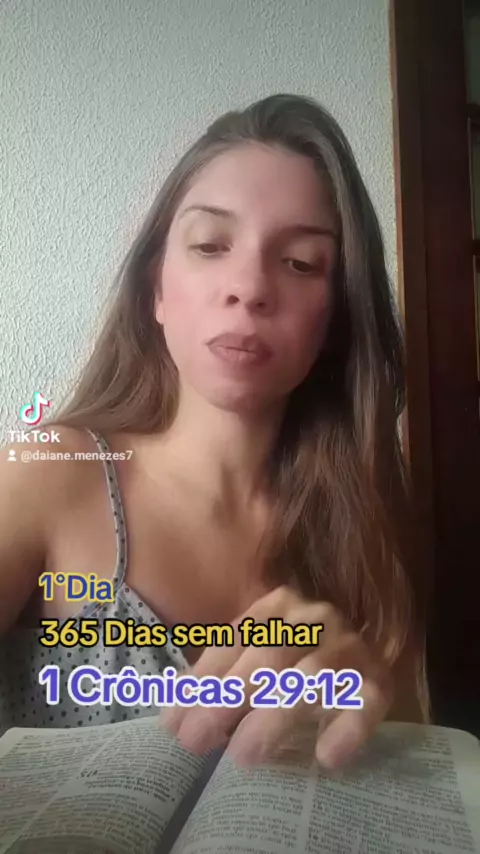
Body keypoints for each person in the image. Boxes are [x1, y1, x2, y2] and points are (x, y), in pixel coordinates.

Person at [0, 93, 429, 769]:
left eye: (301, 263)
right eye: (209, 245)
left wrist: (368, 698)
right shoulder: (43, 474)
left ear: (336, 318)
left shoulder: (367, 534)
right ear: (156, 291)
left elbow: (416, 785)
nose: (249, 287)